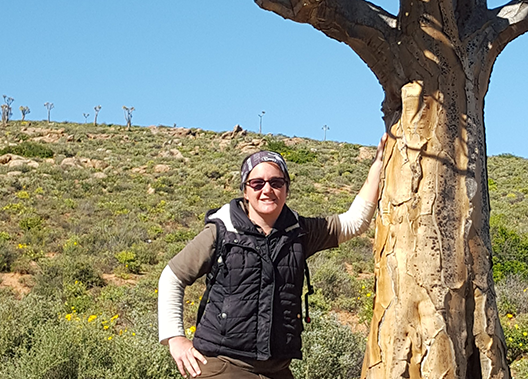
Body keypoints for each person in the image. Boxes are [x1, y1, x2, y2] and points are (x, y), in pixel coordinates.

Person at [158, 135, 386, 378]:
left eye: (276, 183)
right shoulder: (221, 231)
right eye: (257, 183)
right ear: (245, 191)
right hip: (223, 364)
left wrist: (379, 164)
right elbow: (173, 276)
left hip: (277, 369)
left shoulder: (299, 231)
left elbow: (355, 222)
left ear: (286, 189)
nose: (267, 190)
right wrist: (175, 338)